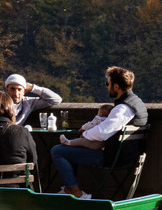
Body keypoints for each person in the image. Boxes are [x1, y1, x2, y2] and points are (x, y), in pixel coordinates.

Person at [51, 66, 148, 199]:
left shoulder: (122, 108)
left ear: (116, 87)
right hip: (128, 155)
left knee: (58, 150)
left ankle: (76, 192)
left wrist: (84, 134)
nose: (107, 87)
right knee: (68, 149)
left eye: (108, 84)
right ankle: (69, 188)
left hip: (112, 157)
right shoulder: (137, 103)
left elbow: (103, 132)